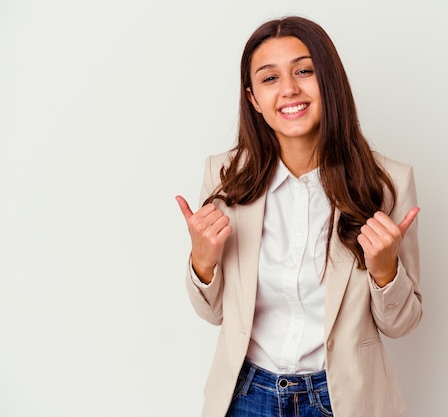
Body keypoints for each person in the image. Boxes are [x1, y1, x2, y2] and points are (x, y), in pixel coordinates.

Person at [176, 16, 422, 417]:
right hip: (245, 397)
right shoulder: (226, 177)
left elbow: (402, 324)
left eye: (304, 71)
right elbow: (214, 313)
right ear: (253, 99)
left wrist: (385, 271)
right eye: (269, 78)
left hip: (342, 400)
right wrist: (202, 262)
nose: (289, 88)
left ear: (330, 81)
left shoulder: (387, 183)